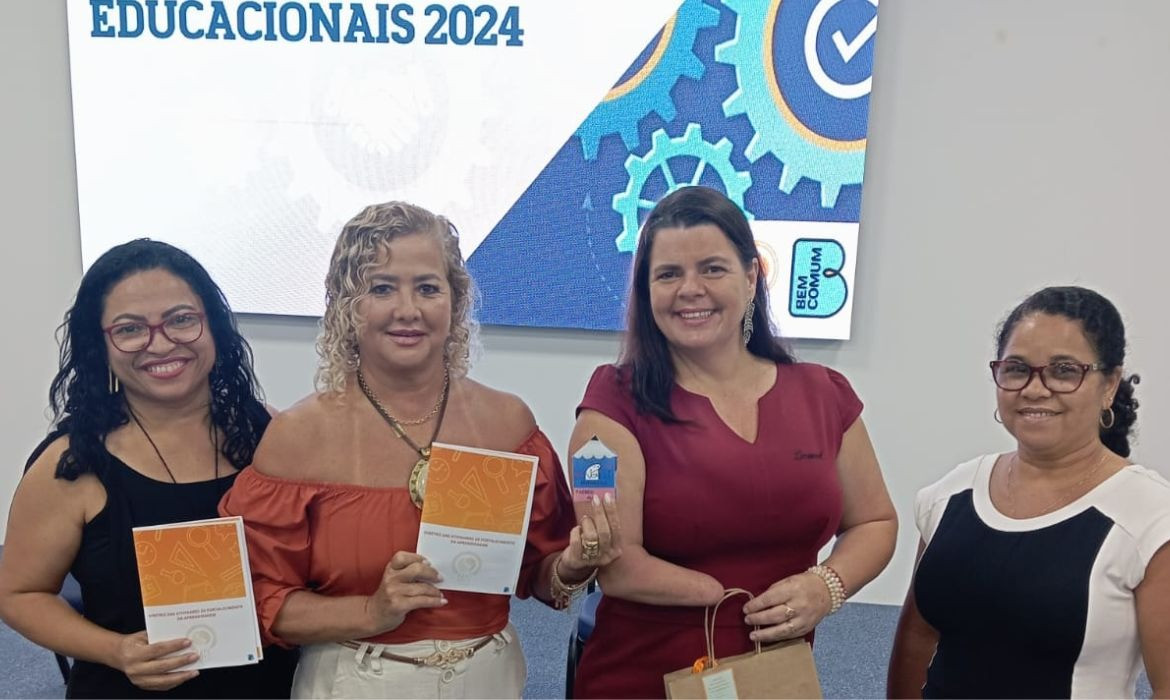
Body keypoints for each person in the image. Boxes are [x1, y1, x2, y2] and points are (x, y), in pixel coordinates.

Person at [219, 201, 618, 699]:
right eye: (381, 288)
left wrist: (573, 565)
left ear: (455, 300)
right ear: (347, 303)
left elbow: (540, 574)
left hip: (488, 678)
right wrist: (370, 611)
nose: (407, 310)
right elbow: (259, 599)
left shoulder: (507, 424)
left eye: (427, 288)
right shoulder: (298, 438)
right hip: (354, 682)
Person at [569, 186, 898, 698]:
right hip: (643, 677)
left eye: (712, 269)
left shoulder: (823, 393)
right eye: (668, 274)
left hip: (776, 678)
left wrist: (826, 587)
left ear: (750, 278)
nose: (690, 289)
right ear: (646, 291)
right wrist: (722, 594)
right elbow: (617, 566)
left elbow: (874, 522)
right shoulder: (612, 401)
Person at [0, 239, 298, 698]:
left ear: (213, 326)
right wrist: (116, 650)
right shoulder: (72, 464)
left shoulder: (266, 433)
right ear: (100, 345)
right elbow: (19, 594)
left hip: (271, 685)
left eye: (181, 320)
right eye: (130, 329)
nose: (160, 344)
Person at [887, 286, 1169, 698]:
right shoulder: (952, 494)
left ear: (1109, 384)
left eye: (1064, 371)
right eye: (1017, 369)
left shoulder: (1150, 517)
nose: (1035, 389)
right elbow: (918, 640)